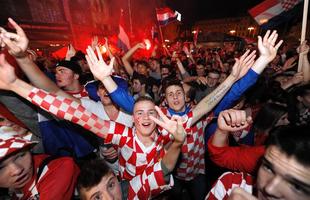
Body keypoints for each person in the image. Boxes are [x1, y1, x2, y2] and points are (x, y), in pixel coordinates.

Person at [206, 109, 310, 200]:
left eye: (297, 186)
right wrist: (222, 131)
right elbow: (221, 155)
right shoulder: (231, 186)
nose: (269, 189)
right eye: (268, 168)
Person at [0, 126, 79, 199]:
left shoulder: (59, 167)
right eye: (1, 168)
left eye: (21, 156)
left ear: (29, 150)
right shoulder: (14, 191)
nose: (17, 170)